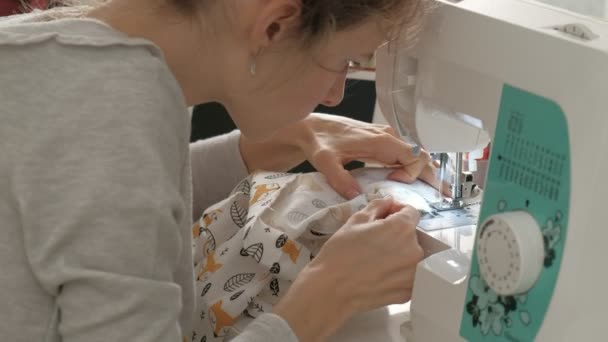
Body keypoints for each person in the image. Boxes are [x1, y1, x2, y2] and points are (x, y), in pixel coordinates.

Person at [0, 0, 434, 341]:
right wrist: (328, 297)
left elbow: (106, 209)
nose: (336, 95)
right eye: (344, 61)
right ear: (274, 26)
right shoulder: (118, 110)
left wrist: (257, 149)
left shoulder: (42, 47)